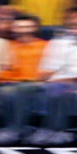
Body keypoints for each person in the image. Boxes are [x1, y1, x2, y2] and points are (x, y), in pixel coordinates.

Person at [0, 15, 47, 144]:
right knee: (4, 92)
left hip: (39, 83)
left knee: (22, 89)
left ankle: (16, 129)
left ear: (36, 28)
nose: (24, 29)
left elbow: (52, 67)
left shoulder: (46, 46)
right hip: (11, 83)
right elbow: (1, 68)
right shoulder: (6, 46)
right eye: (20, 26)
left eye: (27, 26)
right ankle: (12, 128)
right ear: (13, 28)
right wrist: (4, 79)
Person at [33, 8, 77, 145]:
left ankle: (58, 130)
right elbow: (45, 69)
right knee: (52, 89)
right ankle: (49, 129)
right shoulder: (57, 42)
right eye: (72, 24)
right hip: (57, 82)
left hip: (68, 81)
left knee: (58, 90)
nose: (74, 26)